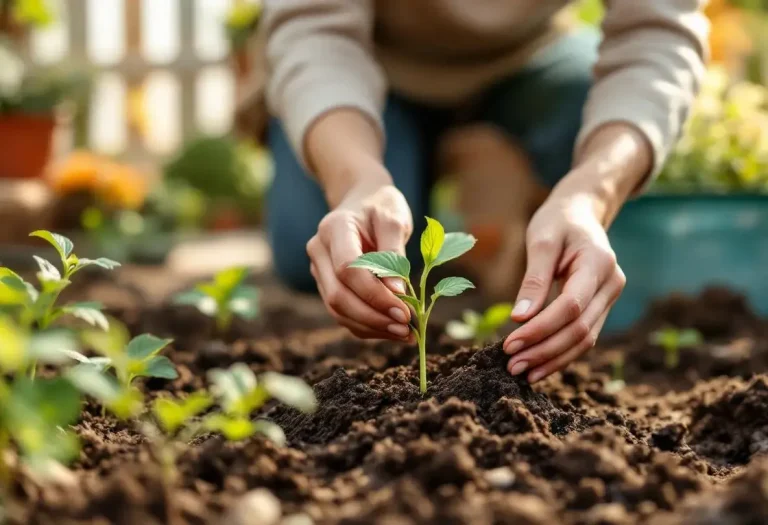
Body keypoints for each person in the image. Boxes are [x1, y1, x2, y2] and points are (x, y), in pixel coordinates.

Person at [262, 0, 708, 383]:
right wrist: (356, 180)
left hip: (529, 62)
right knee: (317, 249)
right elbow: (312, 31)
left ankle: (482, 178)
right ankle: (432, 166)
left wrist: (590, 195)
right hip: (368, 74)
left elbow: (657, 34)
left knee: (586, 102)